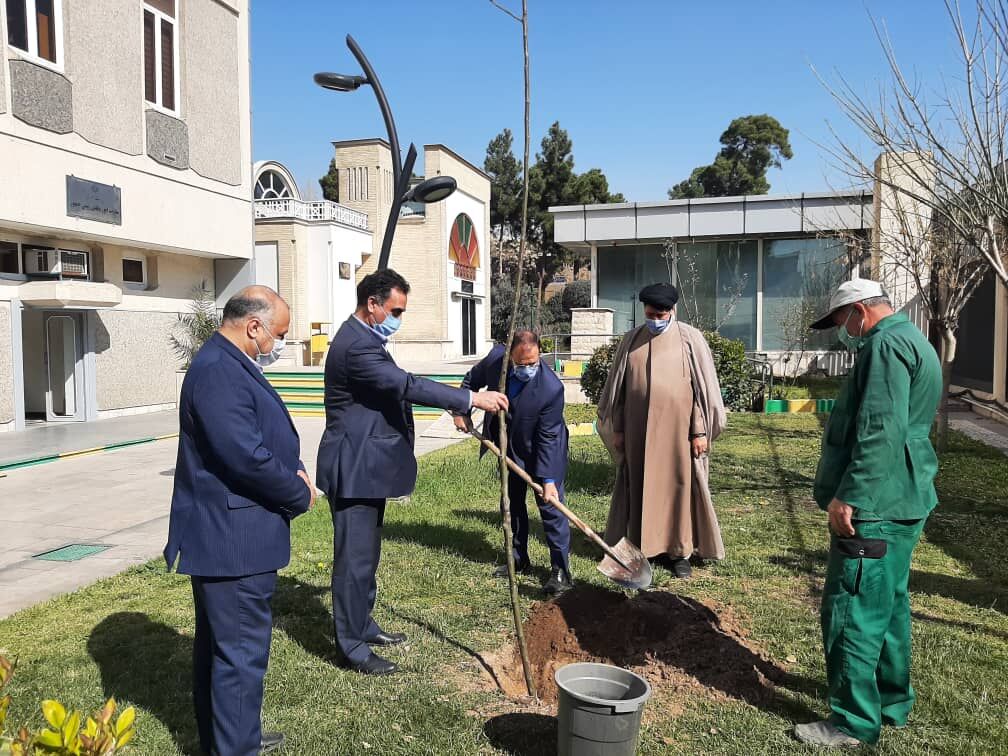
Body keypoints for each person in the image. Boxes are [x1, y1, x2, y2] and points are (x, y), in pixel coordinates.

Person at [315, 269, 509, 676]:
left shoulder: (367, 337)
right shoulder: (356, 347)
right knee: (352, 561)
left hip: (365, 466)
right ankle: (351, 647)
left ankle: (363, 624)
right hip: (353, 467)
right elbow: (405, 385)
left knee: (366, 557)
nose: (398, 318)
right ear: (373, 304)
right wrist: (470, 398)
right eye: (396, 310)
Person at [165, 286, 315, 756]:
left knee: (227, 653)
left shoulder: (226, 363)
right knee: (239, 657)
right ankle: (235, 747)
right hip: (233, 541)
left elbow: (254, 439)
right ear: (253, 326)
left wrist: (295, 468)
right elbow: (243, 456)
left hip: (231, 535)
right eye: (280, 334)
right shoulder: (218, 372)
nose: (281, 343)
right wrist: (298, 492)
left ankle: (233, 737)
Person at [794, 279, 942, 748]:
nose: (843, 331)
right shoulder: (914, 338)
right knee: (890, 605)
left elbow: (880, 428)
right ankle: (892, 700)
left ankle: (853, 720)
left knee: (852, 609)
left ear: (859, 310)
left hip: (875, 504)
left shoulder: (884, 345)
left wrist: (849, 495)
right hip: (905, 495)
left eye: (841, 321)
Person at [596, 282, 727, 578]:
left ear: (672, 311)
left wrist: (699, 431)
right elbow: (619, 390)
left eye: (661, 314)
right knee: (639, 486)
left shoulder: (690, 340)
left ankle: (680, 552)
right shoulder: (631, 340)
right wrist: (618, 428)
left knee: (678, 489)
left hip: (678, 434)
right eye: (650, 313)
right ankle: (642, 545)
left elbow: (700, 392)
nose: (655, 319)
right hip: (637, 432)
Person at [453, 330, 573, 596]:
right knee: (511, 502)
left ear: (540, 354)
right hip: (506, 445)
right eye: (521, 364)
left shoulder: (551, 389)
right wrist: (461, 411)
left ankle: (560, 570)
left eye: (533, 363)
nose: (527, 368)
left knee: (551, 509)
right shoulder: (496, 360)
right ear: (510, 355)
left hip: (541, 450)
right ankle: (518, 558)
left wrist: (549, 480)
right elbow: (471, 381)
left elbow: (549, 438)